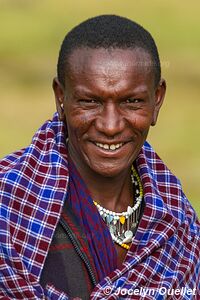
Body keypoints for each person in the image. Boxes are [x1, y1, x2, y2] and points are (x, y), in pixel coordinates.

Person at [0, 15, 199, 300]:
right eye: (89, 101)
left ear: (157, 100)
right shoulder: (9, 205)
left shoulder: (177, 226)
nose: (110, 125)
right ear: (61, 98)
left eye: (132, 102)